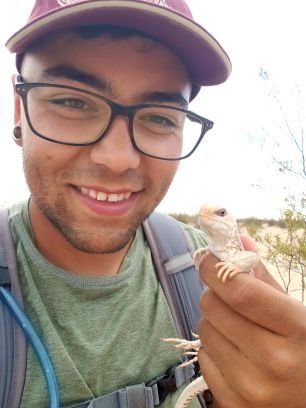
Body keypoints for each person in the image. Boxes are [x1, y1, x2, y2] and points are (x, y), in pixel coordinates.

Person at [4, 0, 306, 407]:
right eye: (72, 101)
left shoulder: (201, 265)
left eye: (161, 117)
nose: (118, 159)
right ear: (19, 108)